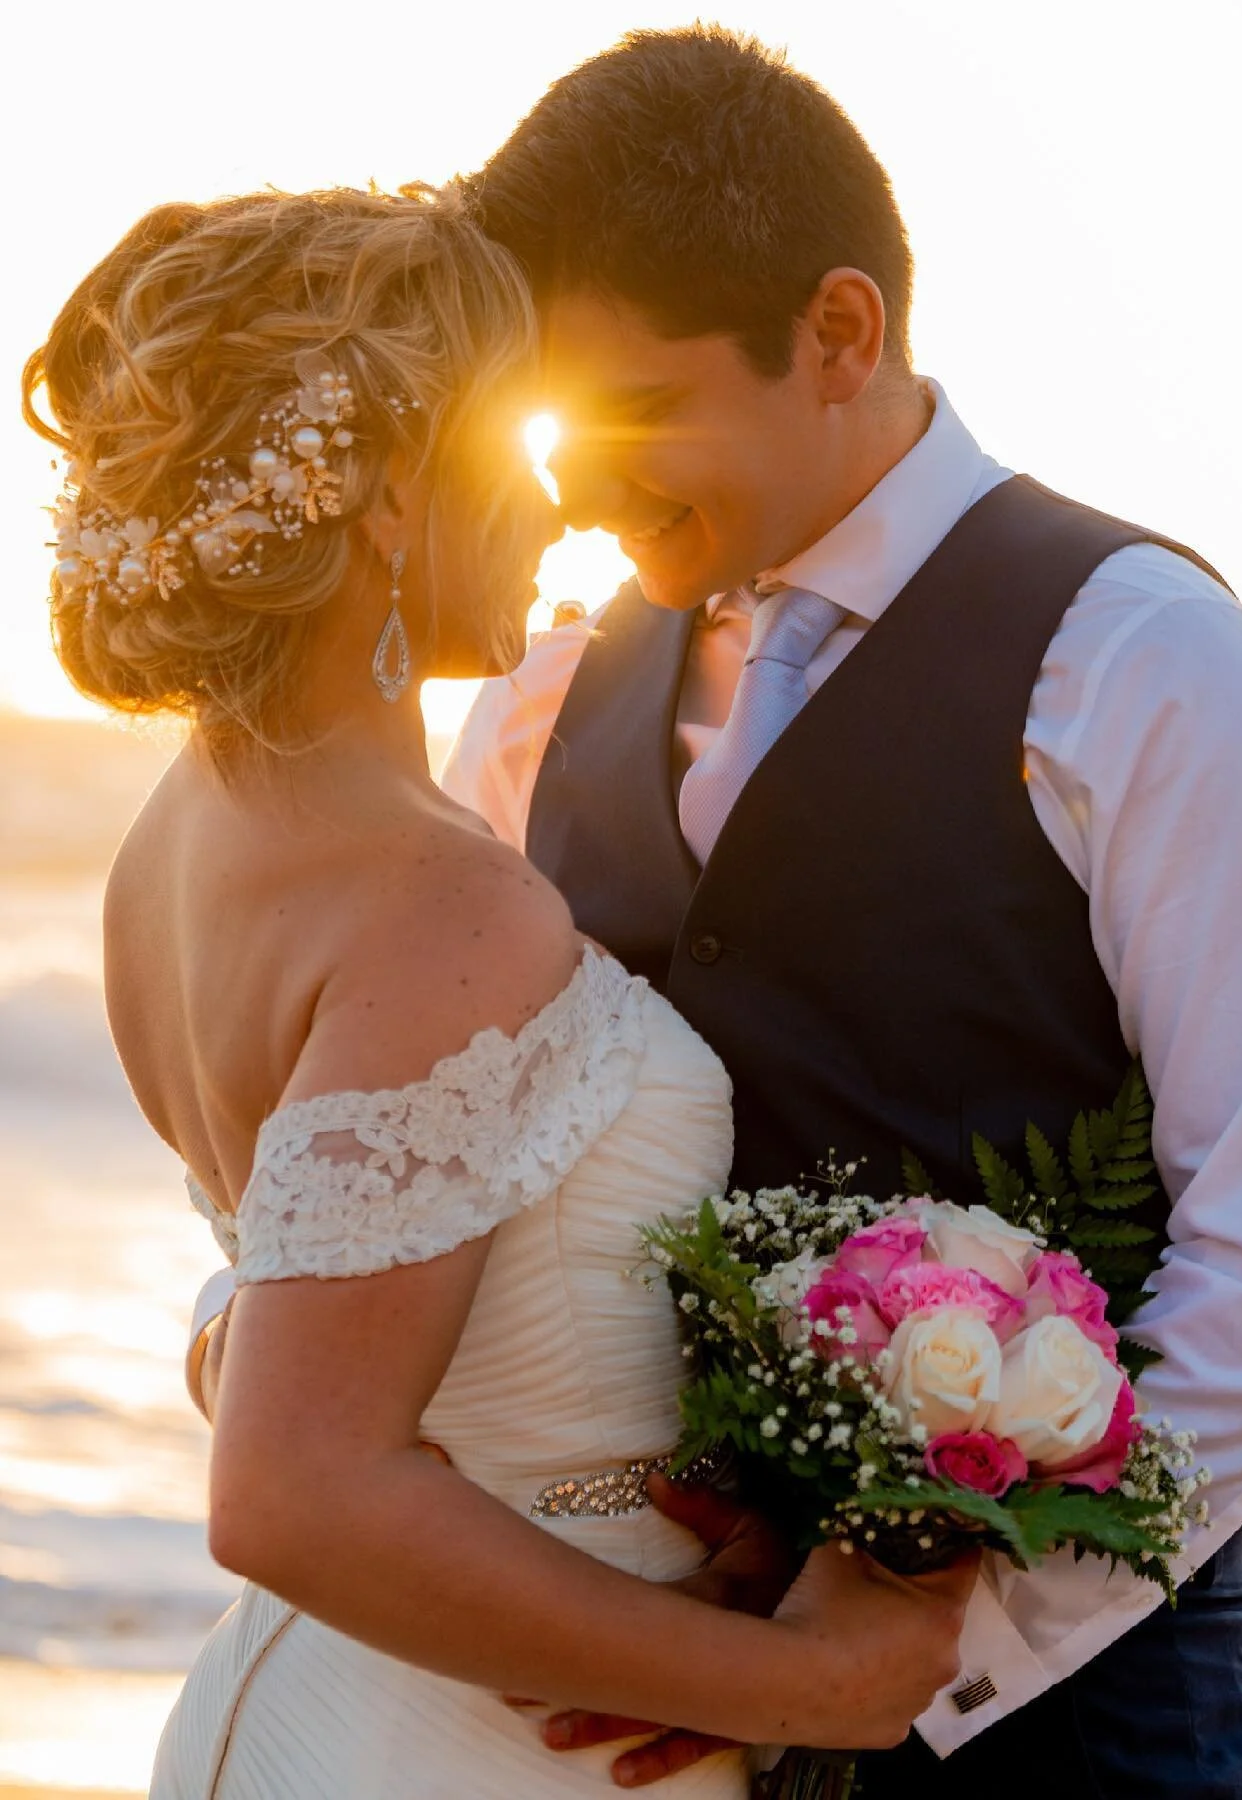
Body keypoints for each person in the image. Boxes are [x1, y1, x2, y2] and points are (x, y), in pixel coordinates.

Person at [433, 25, 1242, 1797]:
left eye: (639, 411)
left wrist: (915, 1636)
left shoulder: (1148, 668)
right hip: (657, 1707)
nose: (574, 484)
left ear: (839, 334)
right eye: (552, 425)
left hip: (1091, 1727)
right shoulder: (540, 696)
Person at [23, 182, 974, 1800]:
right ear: (392, 497)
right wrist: (809, 1682)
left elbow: (294, 1308)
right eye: (510, 448)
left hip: (330, 1707)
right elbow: (296, 1493)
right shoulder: (442, 904)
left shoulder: (175, 842)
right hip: (477, 1751)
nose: (555, 509)